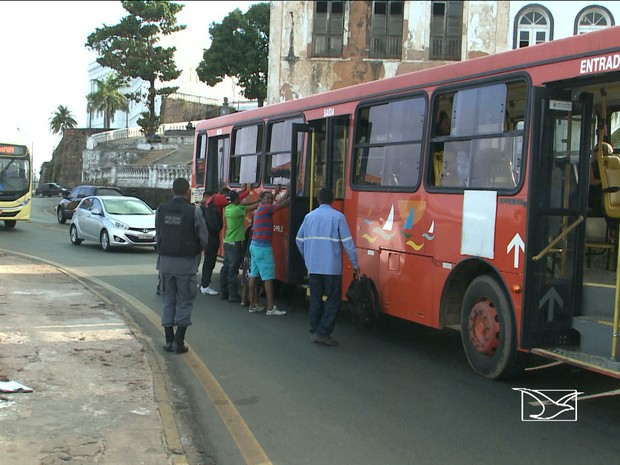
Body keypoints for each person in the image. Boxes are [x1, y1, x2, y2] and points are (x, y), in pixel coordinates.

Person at [296, 187, 360, 346]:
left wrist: (307, 257)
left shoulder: (309, 217)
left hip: (314, 266)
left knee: (315, 299)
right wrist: (355, 264)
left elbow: (299, 239)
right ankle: (323, 332)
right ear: (332, 200)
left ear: (318, 200)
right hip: (331, 268)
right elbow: (348, 244)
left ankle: (314, 328)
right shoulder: (338, 217)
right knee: (333, 300)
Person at [156, 177, 209, 354]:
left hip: (165, 264)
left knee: (168, 301)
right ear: (188, 192)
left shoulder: (161, 210)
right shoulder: (193, 211)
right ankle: (179, 342)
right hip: (186, 265)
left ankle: (168, 340)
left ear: (172, 191)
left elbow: (158, 235)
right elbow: (204, 239)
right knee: (185, 302)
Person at [199, 184, 251, 295]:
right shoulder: (217, 198)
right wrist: (247, 192)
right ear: (224, 195)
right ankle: (205, 285)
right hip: (212, 236)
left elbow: (234, 200)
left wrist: (241, 190)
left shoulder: (214, 201)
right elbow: (234, 200)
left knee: (212, 261)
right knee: (210, 261)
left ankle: (206, 284)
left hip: (210, 235)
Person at [248, 187, 290, 315]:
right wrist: (291, 194)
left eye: (271, 198)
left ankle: (253, 305)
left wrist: (286, 192)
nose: (270, 200)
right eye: (268, 198)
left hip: (255, 246)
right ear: (262, 200)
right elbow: (282, 204)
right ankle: (270, 308)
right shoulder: (266, 208)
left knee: (253, 276)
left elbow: (277, 204)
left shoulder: (261, 208)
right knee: (268, 278)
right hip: (263, 247)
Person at [220, 187, 258, 303]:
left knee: (226, 267)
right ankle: (232, 294)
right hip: (234, 242)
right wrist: (260, 201)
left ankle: (224, 292)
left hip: (227, 242)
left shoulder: (228, 208)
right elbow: (251, 207)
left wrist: (256, 200)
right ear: (236, 200)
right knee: (233, 269)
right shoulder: (236, 210)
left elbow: (245, 203)